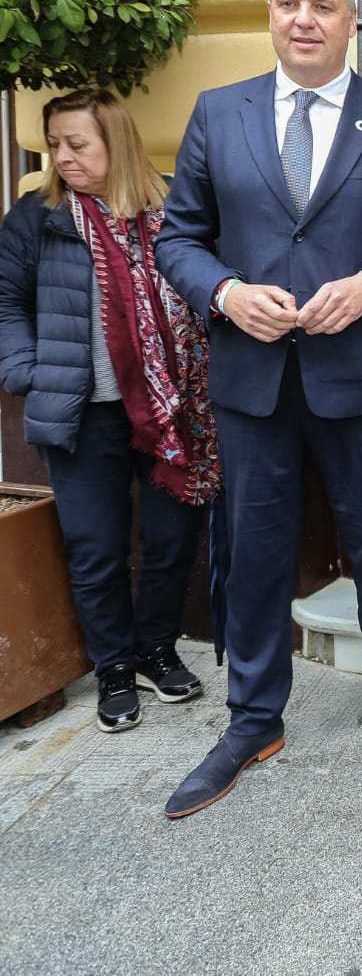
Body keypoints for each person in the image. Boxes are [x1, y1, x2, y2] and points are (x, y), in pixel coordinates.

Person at [155, 0, 362, 818]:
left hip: (360, 380)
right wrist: (227, 292)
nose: (303, 19)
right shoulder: (219, 113)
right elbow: (178, 239)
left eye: (321, 5)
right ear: (271, 15)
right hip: (253, 381)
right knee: (253, 554)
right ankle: (253, 719)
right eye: (288, 3)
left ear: (350, 21)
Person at [0, 88, 218, 735]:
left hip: (169, 406)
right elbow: (5, 304)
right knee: (95, 548)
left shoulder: (173, 207)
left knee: (171, 540)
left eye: (77, 144)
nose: (62, 158)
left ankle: (156, 648)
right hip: (81, 412)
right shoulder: (37, 217)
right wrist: (28, 372)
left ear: (115, 142)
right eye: (54, 145)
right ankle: (115, 666)